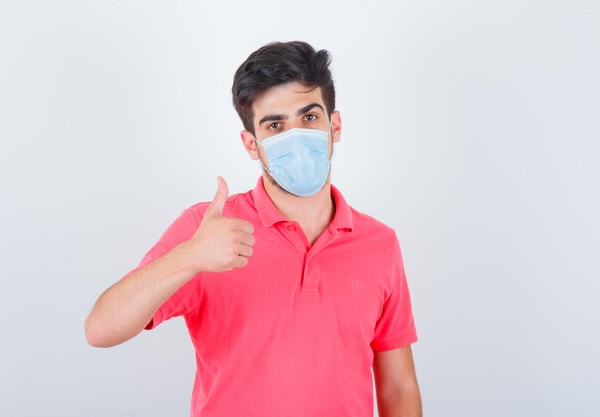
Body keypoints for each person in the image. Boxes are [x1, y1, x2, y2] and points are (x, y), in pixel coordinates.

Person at [85, 40, 422, 417]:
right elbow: (100, 329)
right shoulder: (208, 230)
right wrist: (189, 256)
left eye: (309, 117)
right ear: (251, 144)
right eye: (275, 125)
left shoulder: (379, 244)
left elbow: (398, 384)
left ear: (335, 124)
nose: (295, 136)